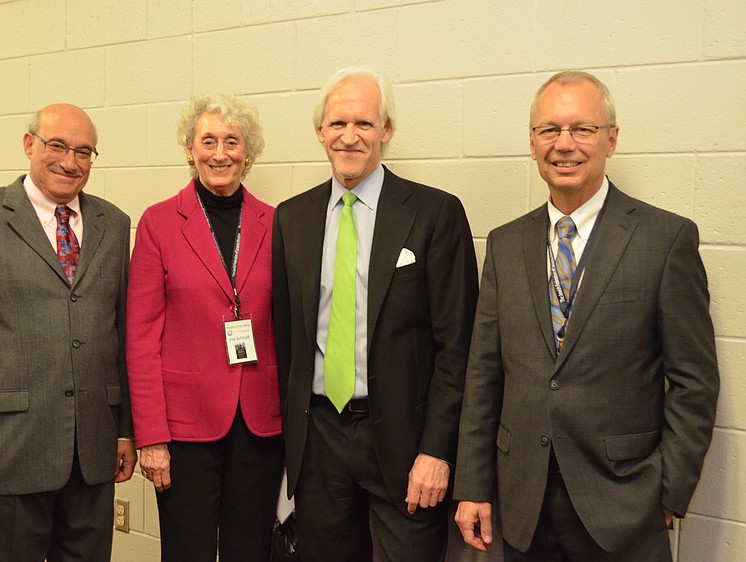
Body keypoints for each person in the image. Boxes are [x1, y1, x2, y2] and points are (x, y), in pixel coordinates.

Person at [454, 70, 720, 562]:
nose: (565, 144)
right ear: (532, 144)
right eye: (549, 130)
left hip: (624, 504)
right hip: (523, 503)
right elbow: (483, 375)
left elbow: (694, 381)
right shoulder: (505, 243)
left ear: (611, 140)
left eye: (582, 129)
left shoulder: (664, 240)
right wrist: (473, 485)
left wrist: (668, 493)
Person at [272, 66, 479, 561]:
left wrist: (437, 450)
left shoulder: (434, 214)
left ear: (386, 131)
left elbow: (459, 346)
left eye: (364, 124)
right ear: (320, 132)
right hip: (319, 437)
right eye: (337, 124)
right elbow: (288, 339)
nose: (349, 137)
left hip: (406, 444)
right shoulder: (292, 218)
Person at [0, 103, 137, 561]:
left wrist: (125, 430)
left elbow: (120, 333)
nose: (70, 161)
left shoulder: (114, 223)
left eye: (84, 152)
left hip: (93, 451)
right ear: (29, 145)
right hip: (10, 450)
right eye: (57, 146)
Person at [126, 94, 283, 562]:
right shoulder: (158, 223)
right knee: (187, 551)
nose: (220, 153)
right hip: (184, 428)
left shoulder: (277, 222)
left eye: (231, 141)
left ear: (247, 152)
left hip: (259, 423)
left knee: (251, 549)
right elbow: (140, 338)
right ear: (190, 150)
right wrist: (150, 435)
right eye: (208, 141)